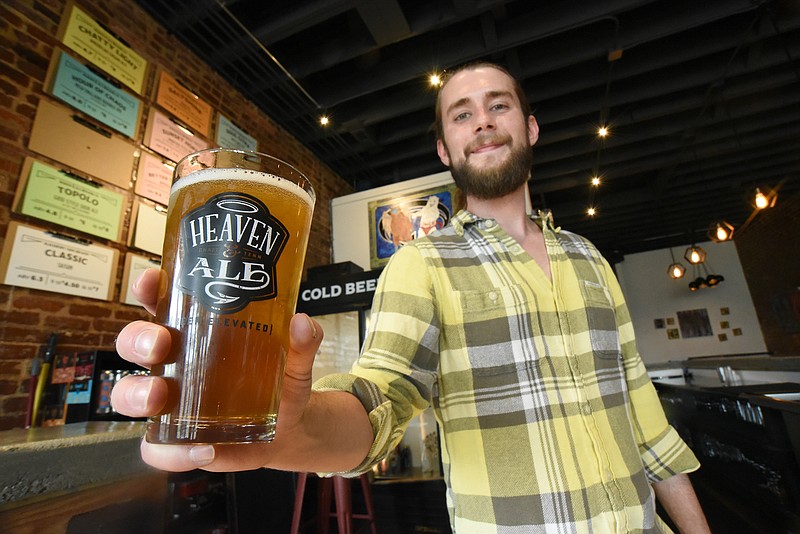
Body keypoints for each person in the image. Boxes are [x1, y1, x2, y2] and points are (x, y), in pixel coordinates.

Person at [112, 62, 710, 533]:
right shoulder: (422, 263)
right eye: (461, 114)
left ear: (529, 128)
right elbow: (382, 398)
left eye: (499, 106)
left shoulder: (589, 258)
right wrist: (293, 432)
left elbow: (645, 419)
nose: (483, 121)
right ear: (445, 151)